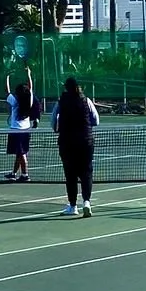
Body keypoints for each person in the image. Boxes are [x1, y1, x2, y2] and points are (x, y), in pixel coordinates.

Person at [53, 75, 98, 216]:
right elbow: (96, 120)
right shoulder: (86, 100)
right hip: (86, 142)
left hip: (67, 142)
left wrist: (59, 128)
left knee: (70, 175)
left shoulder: (61, 101)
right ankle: (87, 202)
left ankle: (73, 207)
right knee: (86, 173)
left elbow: (53, 122)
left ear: (66, 87)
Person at [4, 74, 36, 182]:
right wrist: (29, 75)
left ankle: (25, 175)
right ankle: (13, 174)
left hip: (16, 131)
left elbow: (7, 91)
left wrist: (7, 78)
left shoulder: (15, 101)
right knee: (19, 153)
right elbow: (30, 86)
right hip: (26, 130)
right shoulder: (29, 99)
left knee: (21, 153)